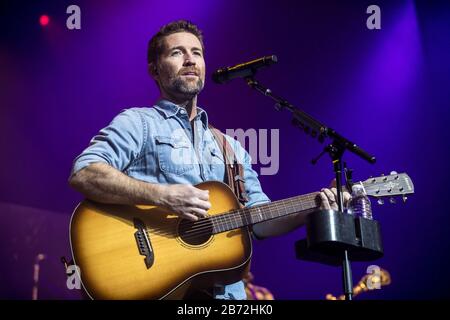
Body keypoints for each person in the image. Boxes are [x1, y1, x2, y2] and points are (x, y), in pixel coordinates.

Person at [69, 20, 350, 300]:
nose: (190, 60)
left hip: (228, 297)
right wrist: (162, 195)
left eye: (197, 53)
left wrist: (312, 208)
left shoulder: (231, 147)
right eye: (177, 53)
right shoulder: (139, 123)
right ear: (154, 69)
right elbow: (84, 172)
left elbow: (260, 220)